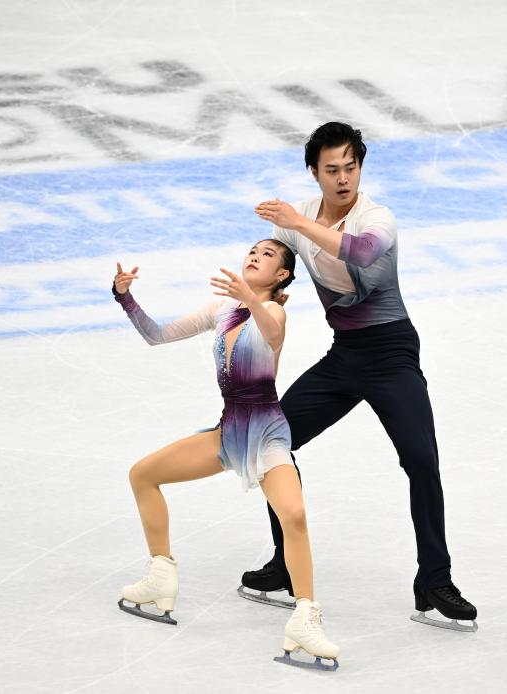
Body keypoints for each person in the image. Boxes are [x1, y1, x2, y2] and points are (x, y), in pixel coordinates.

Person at [243, 122, 478, 632]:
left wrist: (297, 225)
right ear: (314, 172)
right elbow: (272, 266)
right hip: (345, 356)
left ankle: (434, 581)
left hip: (393, 354)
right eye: (332, 169)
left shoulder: (376, 218)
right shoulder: (297, 220)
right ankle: (286, 564)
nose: (344, 178)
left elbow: (363, 252)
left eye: (351, 167)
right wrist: (257, 300)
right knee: (270, 442)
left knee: (421, 461)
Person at [113, 239, 340, 670]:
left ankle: (305, 618)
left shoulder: (273, 311)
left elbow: (272, 333)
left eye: (268, 255)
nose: (255, 256)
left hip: (267, 433)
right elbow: (156, 335)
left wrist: (250, 298)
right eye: (253, 250)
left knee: (293, 515)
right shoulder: (221, 308)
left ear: (282, 276)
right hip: (230, 431)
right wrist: (124, 297)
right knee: (143, 474)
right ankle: (160, 575)